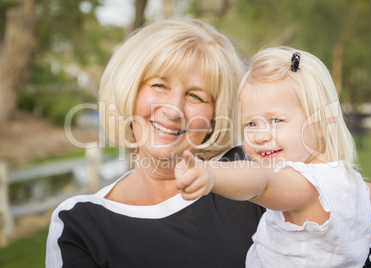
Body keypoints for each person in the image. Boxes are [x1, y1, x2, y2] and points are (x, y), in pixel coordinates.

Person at [45, 18, 265, 268]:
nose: (173, 110)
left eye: (195, 96)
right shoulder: (80, 224)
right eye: (159, 85)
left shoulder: (251, 179)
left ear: (215, 117)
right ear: (129, 90)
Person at [175, 47, 371, 267]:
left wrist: (211, 172)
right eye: (251, 123)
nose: (260, 136)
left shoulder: (303, 186)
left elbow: (262, 182)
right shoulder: (353, 185)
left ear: (321, 124)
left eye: (276, 121)